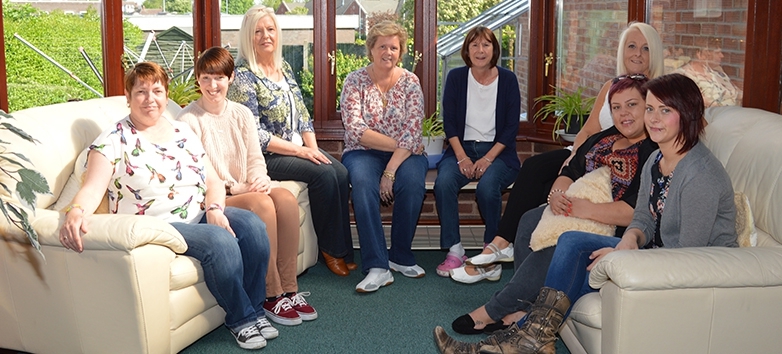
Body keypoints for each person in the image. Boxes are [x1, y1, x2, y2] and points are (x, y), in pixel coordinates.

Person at [434, 73, 739, 354]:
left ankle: (516, 337)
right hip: (656, 249)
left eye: (664, 111)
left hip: (694, 269)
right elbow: (644, 218)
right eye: (651, 109)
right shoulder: (657, 160)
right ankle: (529, 336)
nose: (653, 119)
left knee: (574, 252)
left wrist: (625, 256)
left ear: (686, 114)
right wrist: (630, 239)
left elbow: (687, 257)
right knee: (570, 241)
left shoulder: (700, 175)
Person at [58, 62, 275, 350]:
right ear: (128, 96)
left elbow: (212, 181)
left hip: (198, 212)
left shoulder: (181, 131)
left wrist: (214, 210)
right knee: (220, 242)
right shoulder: (113, 140)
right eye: (141, 92)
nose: (150, 99)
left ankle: (255, 309)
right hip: (157, 225)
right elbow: (92, 188)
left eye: (157, 91)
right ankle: (241, 318)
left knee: (253, 228)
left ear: (166, 94)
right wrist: (75, 211)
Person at [445, 74, 658, 338]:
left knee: (558, 240)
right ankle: (524, 307)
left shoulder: (650, 151)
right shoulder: (604, 138)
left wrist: (580, 209)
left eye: (632, 105)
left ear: (647, 106)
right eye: (616, 107)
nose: (624, 113)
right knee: (530, 220)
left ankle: (495, 309)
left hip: (610, 227)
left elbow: (634, 212)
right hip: (575, 210)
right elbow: (571, 167)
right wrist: (557, 194)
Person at [456, 22, 665, 283]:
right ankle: (502, 243)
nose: (637, 54)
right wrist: (574, 155)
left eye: (645, 48)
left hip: (614, 165)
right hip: (587, 152)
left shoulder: (659, 93)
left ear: (654, 53)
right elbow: (589, 130)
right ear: (623, 51)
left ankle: (515, 254)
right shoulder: (611, 85)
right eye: (631, 46)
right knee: (534, 167)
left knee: (544, 187)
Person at [177, 47, 316, 327]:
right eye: (206, 78)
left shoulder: (241, 113)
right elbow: (199, 174)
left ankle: (290, 288)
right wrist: (238, 188)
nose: (213, 85)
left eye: (219, 78)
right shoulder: (187, 120)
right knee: (263, 204)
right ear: (198, 81)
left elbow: (255, 157)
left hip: (246, 187)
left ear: (230, 79)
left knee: (286, 199)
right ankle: (271, 293)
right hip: (218, 195)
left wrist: (260, 178)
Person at [227, 5, 355, 277]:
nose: (265, 36)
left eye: (270, 29)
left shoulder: (282, 67)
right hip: (266, 156)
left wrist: (311, 148)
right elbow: (255, 134)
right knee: (323, 175)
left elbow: (303, 114)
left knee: (340, 172)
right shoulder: (242, 75)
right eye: (258, 31)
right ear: (247, 37)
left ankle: (343, 249)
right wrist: (301, 152)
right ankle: (330, 251)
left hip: (294, 146)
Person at [340, 21, 429, 293]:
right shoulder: (354, 81)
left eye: (394, 47)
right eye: (382, 46)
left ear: (400, 51)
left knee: (413, 182)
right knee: (364, 186)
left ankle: (400, 256)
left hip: (405, 155)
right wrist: (402, 145)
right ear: (371, 49)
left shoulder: (411, 82)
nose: (388, 52)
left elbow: (414, 127)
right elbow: (357, 130)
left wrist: (390, 171)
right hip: (363, 152)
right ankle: (378, 266)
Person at [433, 26, 520, 278]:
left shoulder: (508, 79)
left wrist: (487, 158)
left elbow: (511, 127)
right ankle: (455, 250)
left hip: (499, 152)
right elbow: (449, 123)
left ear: (494, 49)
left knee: (487, 187)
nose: (480, 50)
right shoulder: (457, 78)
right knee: (444, 182)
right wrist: (461, 156)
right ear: (466, 50)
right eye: (474, 45)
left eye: (486, 45)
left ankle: (490, 251)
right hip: (461, 148)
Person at [675, 37, 742, 107]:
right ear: (699, 54)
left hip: (737, 112)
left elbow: (739, 94)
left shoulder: (718, 73)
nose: (722, 56)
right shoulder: (684, 76)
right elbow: (698, 105)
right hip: (718, 115)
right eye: (717, 53)